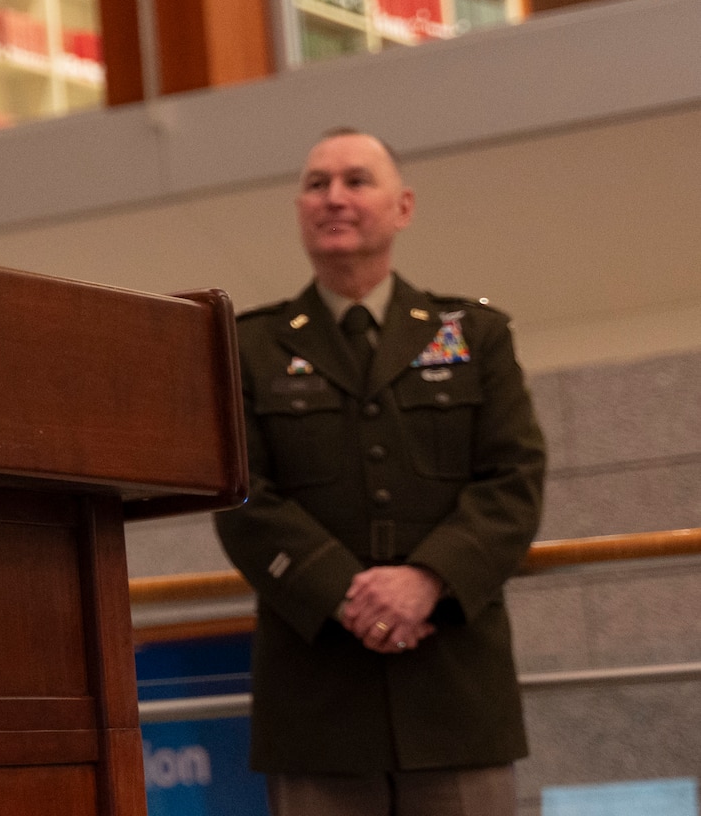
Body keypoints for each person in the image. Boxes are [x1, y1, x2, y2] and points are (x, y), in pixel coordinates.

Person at [213, 129, 545, 816]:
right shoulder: (247, 346)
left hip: (455, 691)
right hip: (317, 699)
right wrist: (345, 594)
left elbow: (513, 478)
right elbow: (241, 495)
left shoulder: (474, 335)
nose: (333, 198)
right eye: (316, 184)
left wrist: (426, 581)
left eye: (356, 181)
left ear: (403, 206)